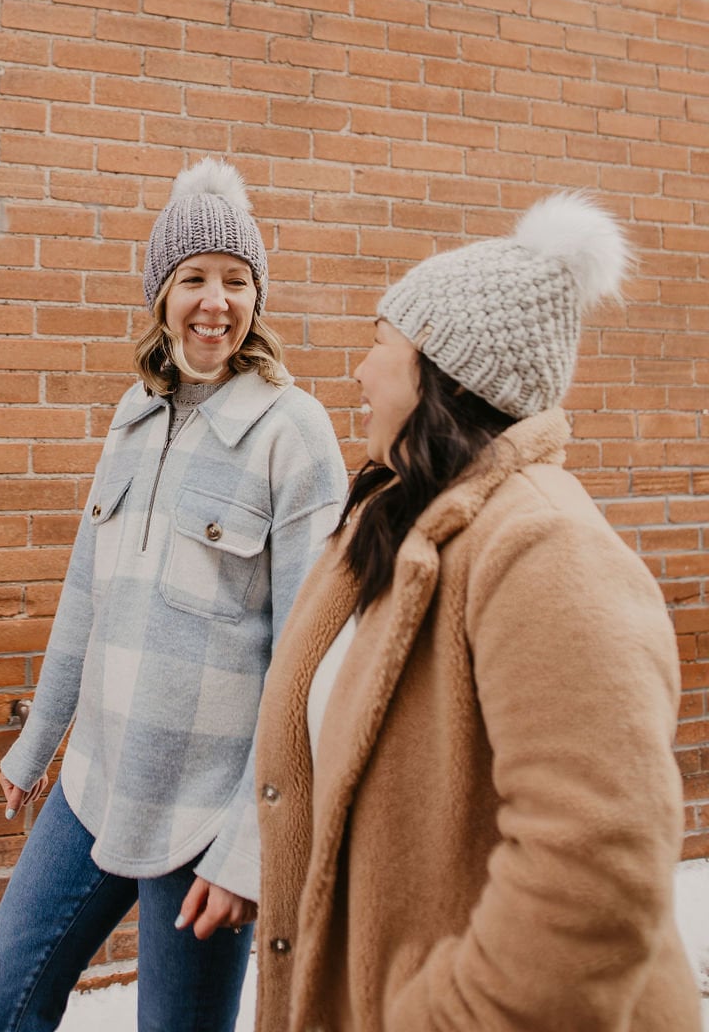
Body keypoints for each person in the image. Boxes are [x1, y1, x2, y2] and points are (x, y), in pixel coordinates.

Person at [255, 192, 701, 1032]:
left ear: (445, 373)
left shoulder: (546, 549)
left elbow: (596, 865)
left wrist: (442, 1016)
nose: (359, 371)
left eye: (380, 342)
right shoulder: (392, 516)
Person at [0, 158, 348, 1032]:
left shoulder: (293, 432)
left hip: (206, 809)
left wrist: (249, 847)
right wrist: (37, 744)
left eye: (237, 281)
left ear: (258, 297)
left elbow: (310, 664)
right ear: (161, 293)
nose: (216, 302)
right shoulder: (131, 417)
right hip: (95, 780)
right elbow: (84, 601)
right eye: (194, 278)